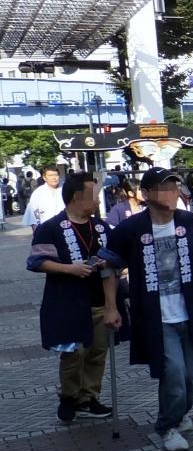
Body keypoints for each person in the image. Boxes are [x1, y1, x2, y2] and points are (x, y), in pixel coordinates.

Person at [101, 168, 193, 451]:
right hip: (155, 316)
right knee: (173, 373)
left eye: (175, 187)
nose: (172, 193)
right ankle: (167, 426)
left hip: (192, 311)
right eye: (164, 188)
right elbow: (110, 268)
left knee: (192, 376)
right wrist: (111, 308)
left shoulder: (189, 221)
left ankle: (179, 413)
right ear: (146, 194)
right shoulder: (130, 229)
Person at [27, 172, 114, 424]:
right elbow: (36, 262)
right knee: (74, 353)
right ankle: (69, 396)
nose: (98, 201)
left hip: (98, 300)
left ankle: (89, 397)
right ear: (78, 196)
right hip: (67, 301)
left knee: (97, 352)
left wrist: (111, 301)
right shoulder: (51, 228)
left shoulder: (101, 227)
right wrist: (69, 269)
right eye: (94, 196)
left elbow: (113, 263)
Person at [23, 166, 64, 232]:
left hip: (65, 227)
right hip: (46, 229)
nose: (54, 178)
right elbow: (33, 216)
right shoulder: (38, 193)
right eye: (50, 175)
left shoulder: (66, 190)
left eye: (56, 175)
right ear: (44, 178)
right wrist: (37, 234)